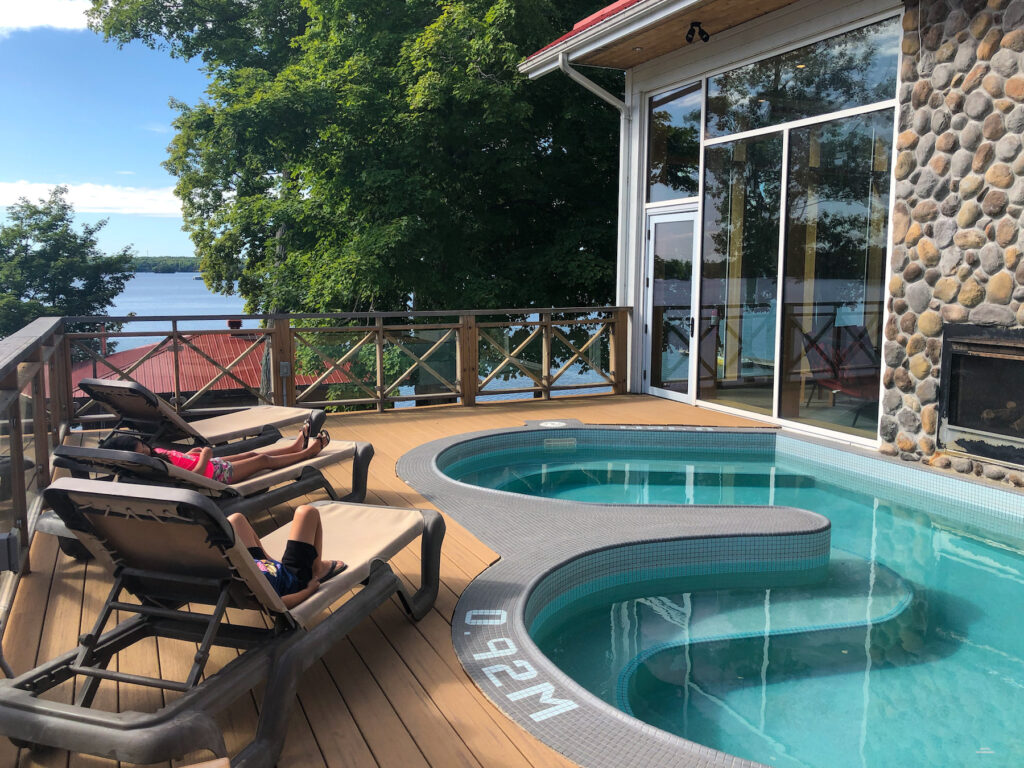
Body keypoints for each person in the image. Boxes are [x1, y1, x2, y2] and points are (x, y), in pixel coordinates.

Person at [103, 421, 330, 484]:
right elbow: (194, 477)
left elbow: (180, 461)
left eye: (144, 446)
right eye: (143, 452)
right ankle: (307, 453)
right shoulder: (155, 467)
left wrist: (192, 453)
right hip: (214, 476)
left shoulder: (154, 455)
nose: (148, 450)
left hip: (211, 465)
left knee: (253, 455)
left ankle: (294, 447)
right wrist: (204, 457)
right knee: (262, 460)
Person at [228, 505, 346, 608]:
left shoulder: (220, 564)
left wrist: (268, 561)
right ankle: (317, 569)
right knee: (307, 512)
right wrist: (308, 590)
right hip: (291, 580)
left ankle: (269, 560)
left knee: (235, 519)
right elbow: (280, 603)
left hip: (253, 567)